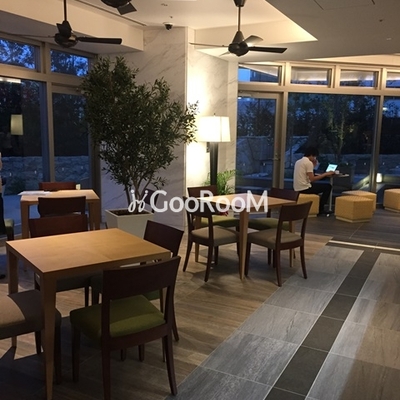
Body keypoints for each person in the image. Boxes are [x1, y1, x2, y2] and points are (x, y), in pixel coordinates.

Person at [293, 146, 336, 216]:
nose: (315, 158)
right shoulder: (308, 163)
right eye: (315, 157)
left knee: (320, 186)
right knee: (328, 187)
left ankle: (318, 207)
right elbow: (312, 179)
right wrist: (325, 174)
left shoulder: (298, 161)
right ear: (311, 155)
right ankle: (321, 209)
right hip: (305, 188)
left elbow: (307, 174)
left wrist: (314, 166)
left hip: (297, 188)